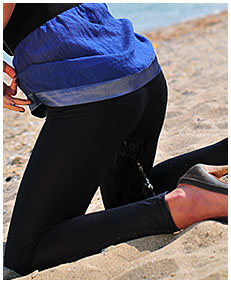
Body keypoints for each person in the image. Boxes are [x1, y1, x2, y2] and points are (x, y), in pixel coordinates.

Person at [3, 3, 228, 276]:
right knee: (131, 202)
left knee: (27, 253)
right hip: (141, 72)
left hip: (96, 96)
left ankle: (190, 201)